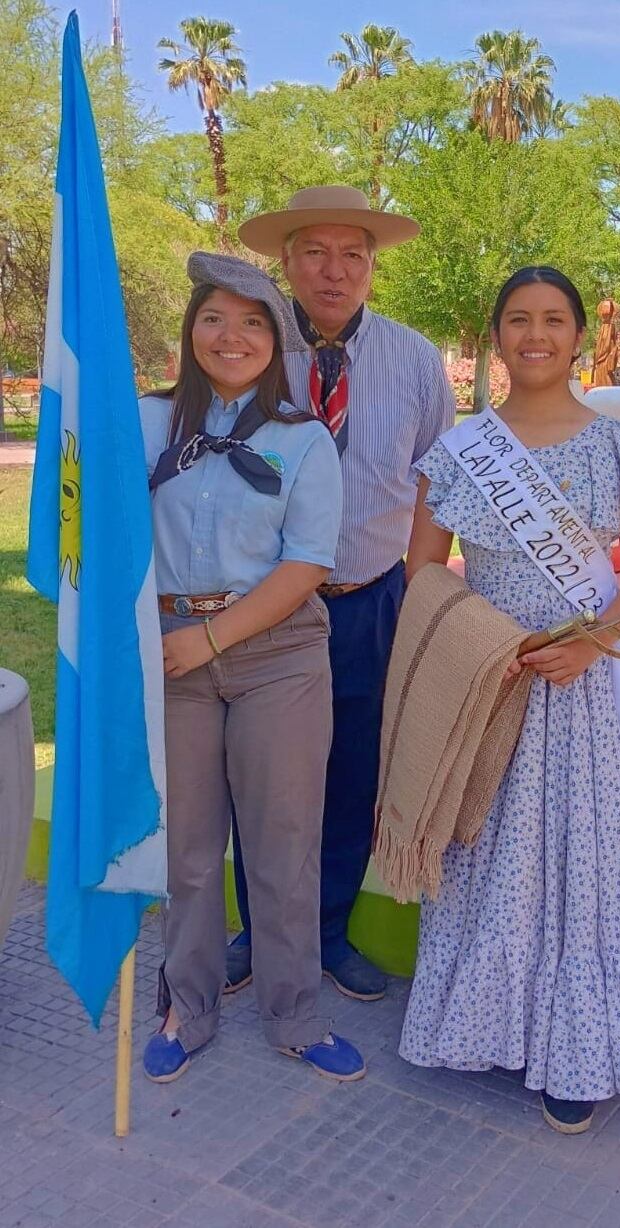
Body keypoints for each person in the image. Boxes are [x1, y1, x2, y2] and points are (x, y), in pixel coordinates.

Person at [399, 266, 620, 1134]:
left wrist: (591, 639)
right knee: (494, 850)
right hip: (495, 685)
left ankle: (583, 1049)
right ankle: (490, 1025)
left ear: (579, 335)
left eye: (553, 319)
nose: (534, 334)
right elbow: (422, 570)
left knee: (589, 858)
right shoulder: (460, 454)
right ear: (495, 336)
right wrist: (482, 645)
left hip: (591, 686)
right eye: (517, 319)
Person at [140, 252, 364, 1083]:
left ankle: (295, 1015)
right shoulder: (144, 423)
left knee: (281, 846)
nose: (231, 336)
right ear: (191, 329)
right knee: (188, 851)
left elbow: (307, 564)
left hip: (278, 658)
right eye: (213, 318)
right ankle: (186, 1008)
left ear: (277, 341)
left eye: (252, 321)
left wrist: (211, 638)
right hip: (171, 654)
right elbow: (96, 527)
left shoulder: (304, 440)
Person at [231, 187, 456, 1000]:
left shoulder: (415, 359)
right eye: (316, 253)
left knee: (351, 774)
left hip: (369, 600)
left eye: (353, 255)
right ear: (285, 261)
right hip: (262, 606)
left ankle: (327, 931)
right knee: (261, 776)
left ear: (372, 266)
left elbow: (441, 476)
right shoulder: (246, 349)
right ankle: (259, 934)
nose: (335, 272)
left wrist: (425, 590)